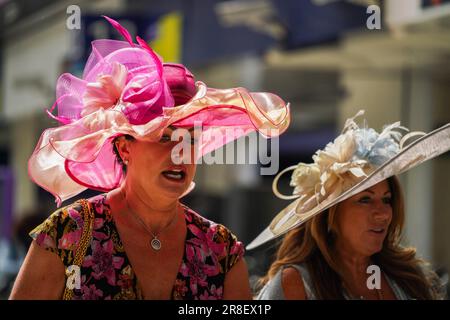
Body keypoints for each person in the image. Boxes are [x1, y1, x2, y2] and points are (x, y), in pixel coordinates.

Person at [9, 16, 290, 300]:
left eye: (189, 139)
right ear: (124, 148)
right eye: (164, 137)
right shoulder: (68, 233)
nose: (180, 152)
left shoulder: (220, 249)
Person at [248, 111, 449, 300]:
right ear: (330, 215)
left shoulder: (408, 277)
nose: (383, 214)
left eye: (387, 200)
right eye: (365, 200)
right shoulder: (295, 283)